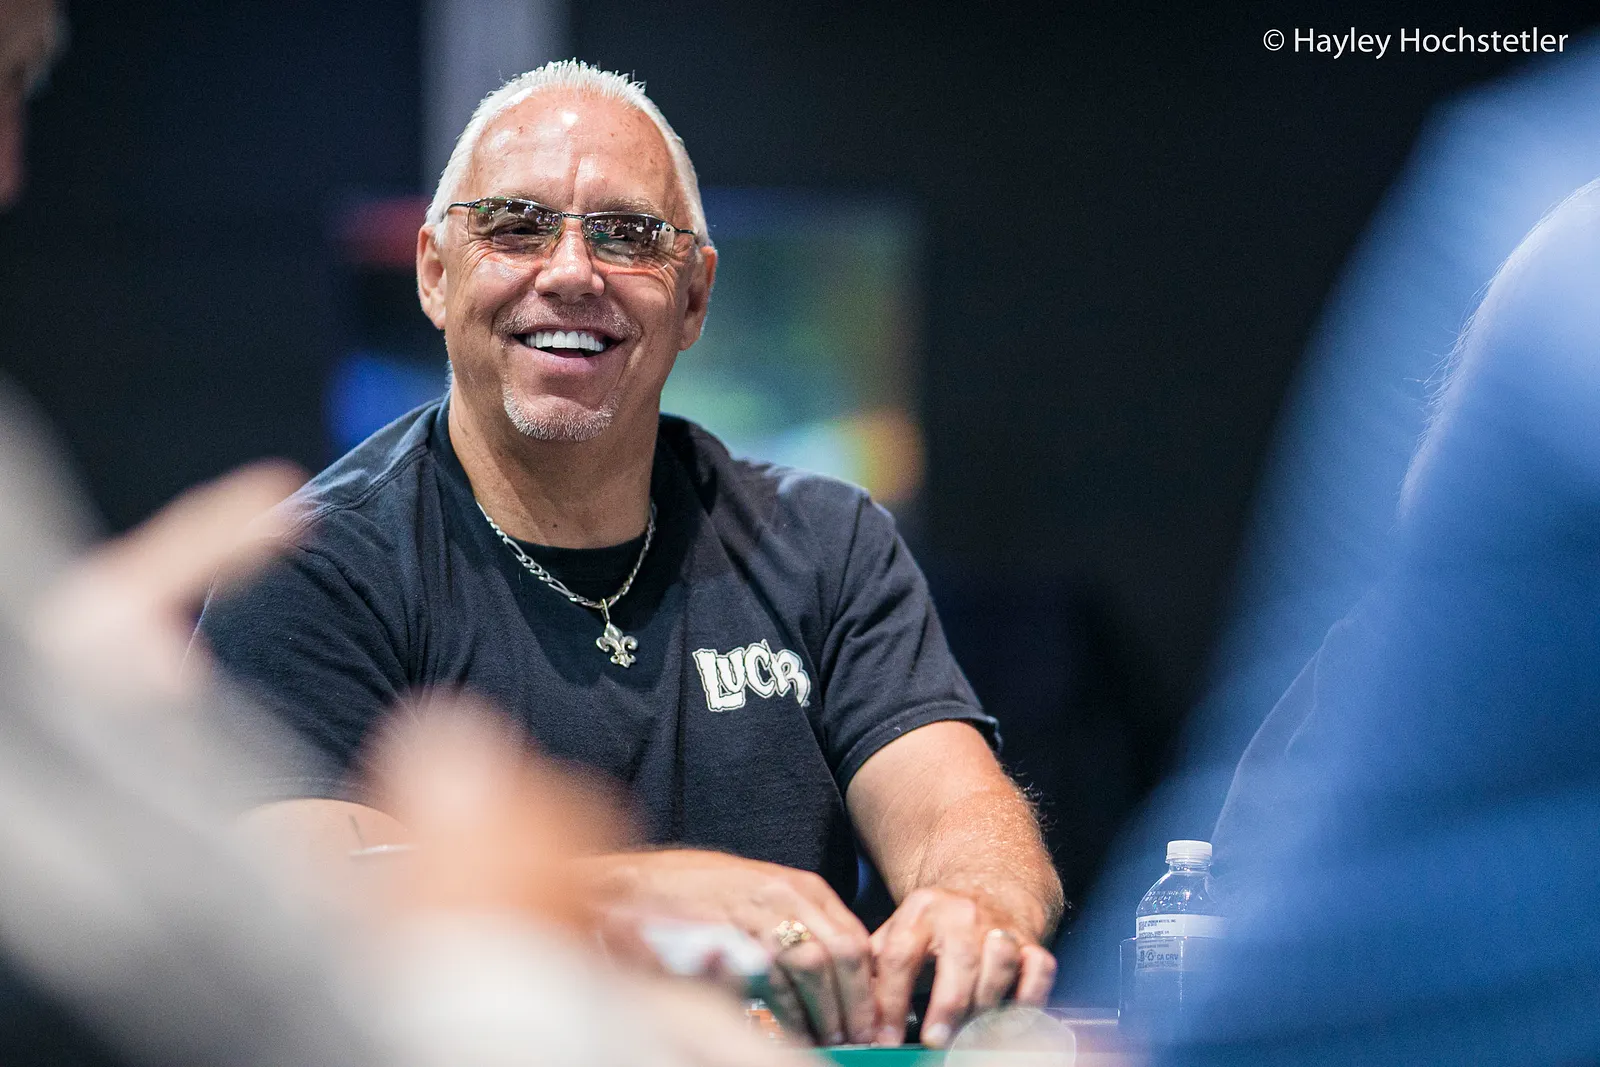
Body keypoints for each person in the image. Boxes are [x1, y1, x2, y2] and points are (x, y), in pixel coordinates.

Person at [196, 59, 1063, 1047]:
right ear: (435, 272)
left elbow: (959, 806)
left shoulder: (828, 541)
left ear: (693, 299)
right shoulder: (310, 563)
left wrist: (973, 901)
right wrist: (640, 897)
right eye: (517, 225)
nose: (572, 272)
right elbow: (287, 890)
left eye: (629, 235)